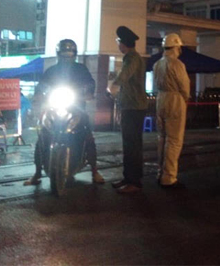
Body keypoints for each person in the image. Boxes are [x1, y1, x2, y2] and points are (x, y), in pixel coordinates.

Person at [24, 39, 104, 185]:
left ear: (74, 55)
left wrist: (88, 92)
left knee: (87, 135)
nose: (67, 58)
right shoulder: (51, 71)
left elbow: (90, 83)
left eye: (70, 55)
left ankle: (94, 171)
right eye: (64, 55)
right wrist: (38, 95)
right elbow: (42, 85)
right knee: (42, 136)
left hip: (76, 109)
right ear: (58, 55)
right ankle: (37, 173)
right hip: (54, 109)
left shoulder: (81, 69)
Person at [108, 26, 148, 194]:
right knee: (129, 144)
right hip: (131, 106)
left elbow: (125, 75)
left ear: (123, 43)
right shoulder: (132, 58)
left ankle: (134, 181)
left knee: (132, 145)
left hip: (133, 107)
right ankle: (128, 178)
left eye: (118, 42)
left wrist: (113, 85)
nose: (118, 45)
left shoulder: (132, 58)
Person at [152, 33, 190, 189]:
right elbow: (184, 86)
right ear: (176, 47)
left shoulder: (157, 64)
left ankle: (160, 172)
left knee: (162, 138)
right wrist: (185, 98)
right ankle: (169, 177)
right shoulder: (177, 64)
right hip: (175, 99)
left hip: (161, 99)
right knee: (174, 140)